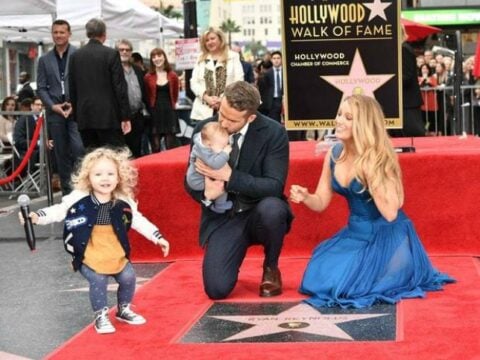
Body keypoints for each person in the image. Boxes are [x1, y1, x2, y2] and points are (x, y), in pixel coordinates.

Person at [289, 95, 454, 309]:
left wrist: (371, 174)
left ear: (364, 124)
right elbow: (321, 202)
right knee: (317, 277)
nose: (339, 120)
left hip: (388, 237)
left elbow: (390, 213)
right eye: (339, 114)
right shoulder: (334, 153)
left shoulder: (378, 158)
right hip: (354, 234)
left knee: (348, 288)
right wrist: (306, 197)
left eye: (348, 117)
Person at [19, 147, 170, 334]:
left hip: (113, 248)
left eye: (110, 174)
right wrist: (36, 216)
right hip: (88, 248)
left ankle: (124, 309)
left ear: (119, 177)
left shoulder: (123, 200)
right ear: (88, 177)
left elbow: (138, 220)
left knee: (128, 276)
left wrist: (158, 237)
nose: (105, 178)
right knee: (98, 279)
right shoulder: (79, 198)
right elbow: (59, 210)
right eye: (98, 174)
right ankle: (101, 315)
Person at [185, 81, 293, 300]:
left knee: (274, 208)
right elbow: (190, 179)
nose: (222, 123)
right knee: (216, 289)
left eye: (231, 120)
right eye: (221, 114)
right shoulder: (203, 129)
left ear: (250, 117)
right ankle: (230, 257)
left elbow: (274, 185)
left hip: (258, 211)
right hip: (223, 216)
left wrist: (230, 177)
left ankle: (271, 267)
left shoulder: (274, 132)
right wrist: (206, 196)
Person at [37, 19, 85, 195]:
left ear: (69, 34)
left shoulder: (78, 55)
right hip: (55, 113)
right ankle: (67, 194)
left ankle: (81, 189)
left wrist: (74, 104)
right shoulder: (44, 60)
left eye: (62, 32)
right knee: (61, 153)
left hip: (75, 111)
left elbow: (84, 83)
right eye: (55, 32)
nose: (58, 35)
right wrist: (52, 106)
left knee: (79, 148)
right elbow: (41, 88)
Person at [68, 18, 131, 150]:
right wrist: (125, 116)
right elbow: (119, 87)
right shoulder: (111, 54)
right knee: (114, 157)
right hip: (108, 117)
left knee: (92, 158)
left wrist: (77, 115)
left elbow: (72, 88)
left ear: (87, 34)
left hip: (85, 116)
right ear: (104, 35)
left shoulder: (75, 56)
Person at [190, 27, 244, 122]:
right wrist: (207, 98)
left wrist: (222, 99)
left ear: (220, 39)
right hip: (203, 110)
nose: (210, 42)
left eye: (212, 38)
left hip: (228, 108)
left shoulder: (233, 56)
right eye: (207, 40)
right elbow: (193, 82)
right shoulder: (200, 58)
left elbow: (239, 81)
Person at [186, 121, 232, 213]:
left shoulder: (203, 144)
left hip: (197, 176)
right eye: (223, 146)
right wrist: (225, 153)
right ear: (209, 145)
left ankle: (213, 203)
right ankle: (219, 206)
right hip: (196, 181)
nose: (225, 147)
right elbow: (215, 164)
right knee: (222, 185)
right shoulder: (204, 151)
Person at [116, 39, 148, 158]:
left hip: (137, 116)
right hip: (120, 118)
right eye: (121, 50)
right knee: (122, 153)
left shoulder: (137, 70)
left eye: (127, 50)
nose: (124, 52)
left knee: (137, 151)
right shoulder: (113, 70)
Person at [144, 48, 179, 152]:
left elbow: (175, 94)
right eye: (153, 57)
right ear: (151, 60)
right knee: (155, 145)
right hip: (154, 112)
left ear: (164, 57)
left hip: (169, 111)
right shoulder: (148, 77)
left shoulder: (173, 75)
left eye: (159, 56)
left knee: (170, 144)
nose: (157, 59)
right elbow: (146, 95)